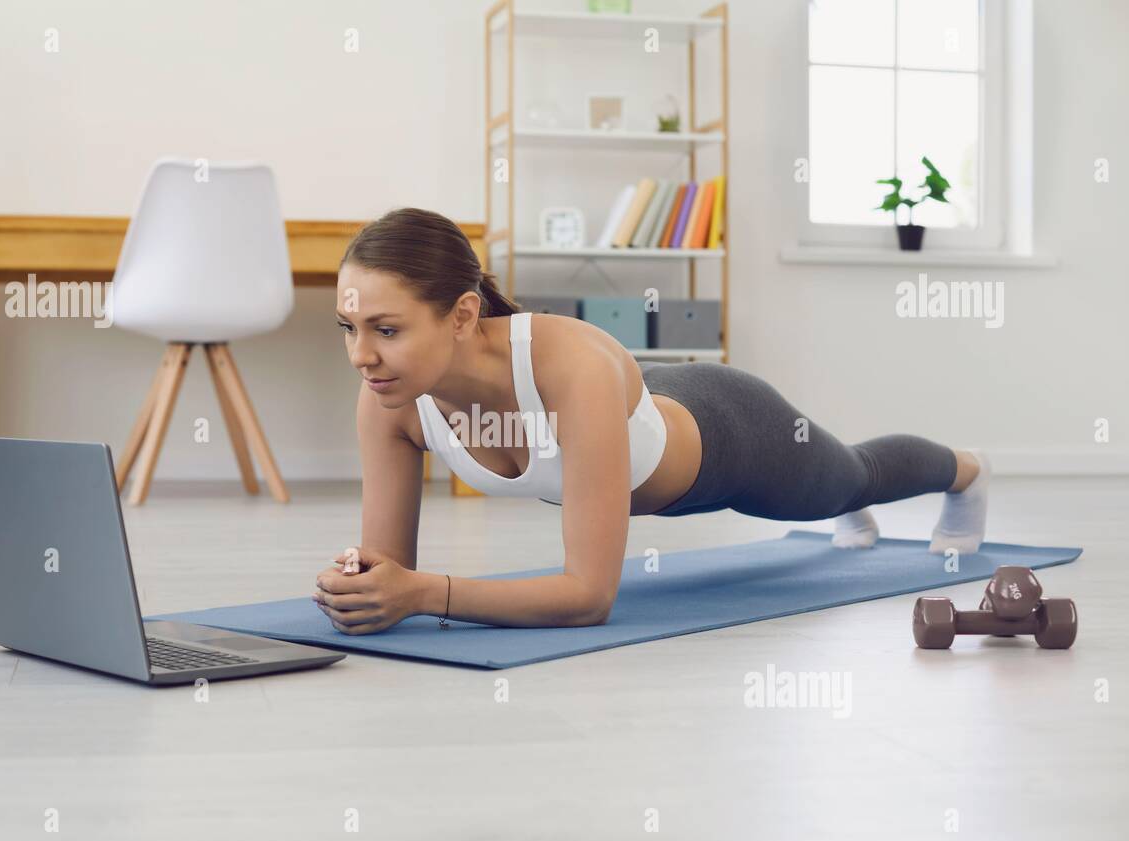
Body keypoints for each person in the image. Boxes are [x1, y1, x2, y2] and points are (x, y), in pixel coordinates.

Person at [312, 208, 990, 635]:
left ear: (461, 315)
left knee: (851, 478)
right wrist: (362, 585)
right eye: (348, 328)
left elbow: (587, 598)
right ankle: (849, 508)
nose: (360, 355)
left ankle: (966, 471)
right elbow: (388, 575)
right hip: (629, 415)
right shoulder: (388, 398)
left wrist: (426, 593)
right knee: (840, 486)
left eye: (386, 329)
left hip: (730, 431)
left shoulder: (569, 366)